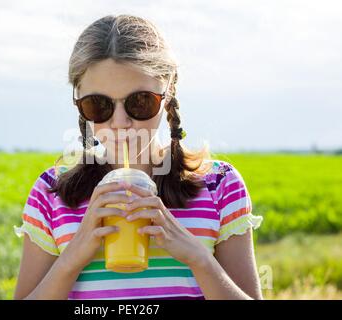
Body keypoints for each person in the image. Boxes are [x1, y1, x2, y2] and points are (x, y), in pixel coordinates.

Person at [13, 14, 263, 300]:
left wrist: (199, 258)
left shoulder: (219, 186)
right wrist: (72, 257)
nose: (120, 122)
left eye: (140, 102)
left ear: (167, 93)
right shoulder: (51, 194)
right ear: (78, 102)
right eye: (99, 105)